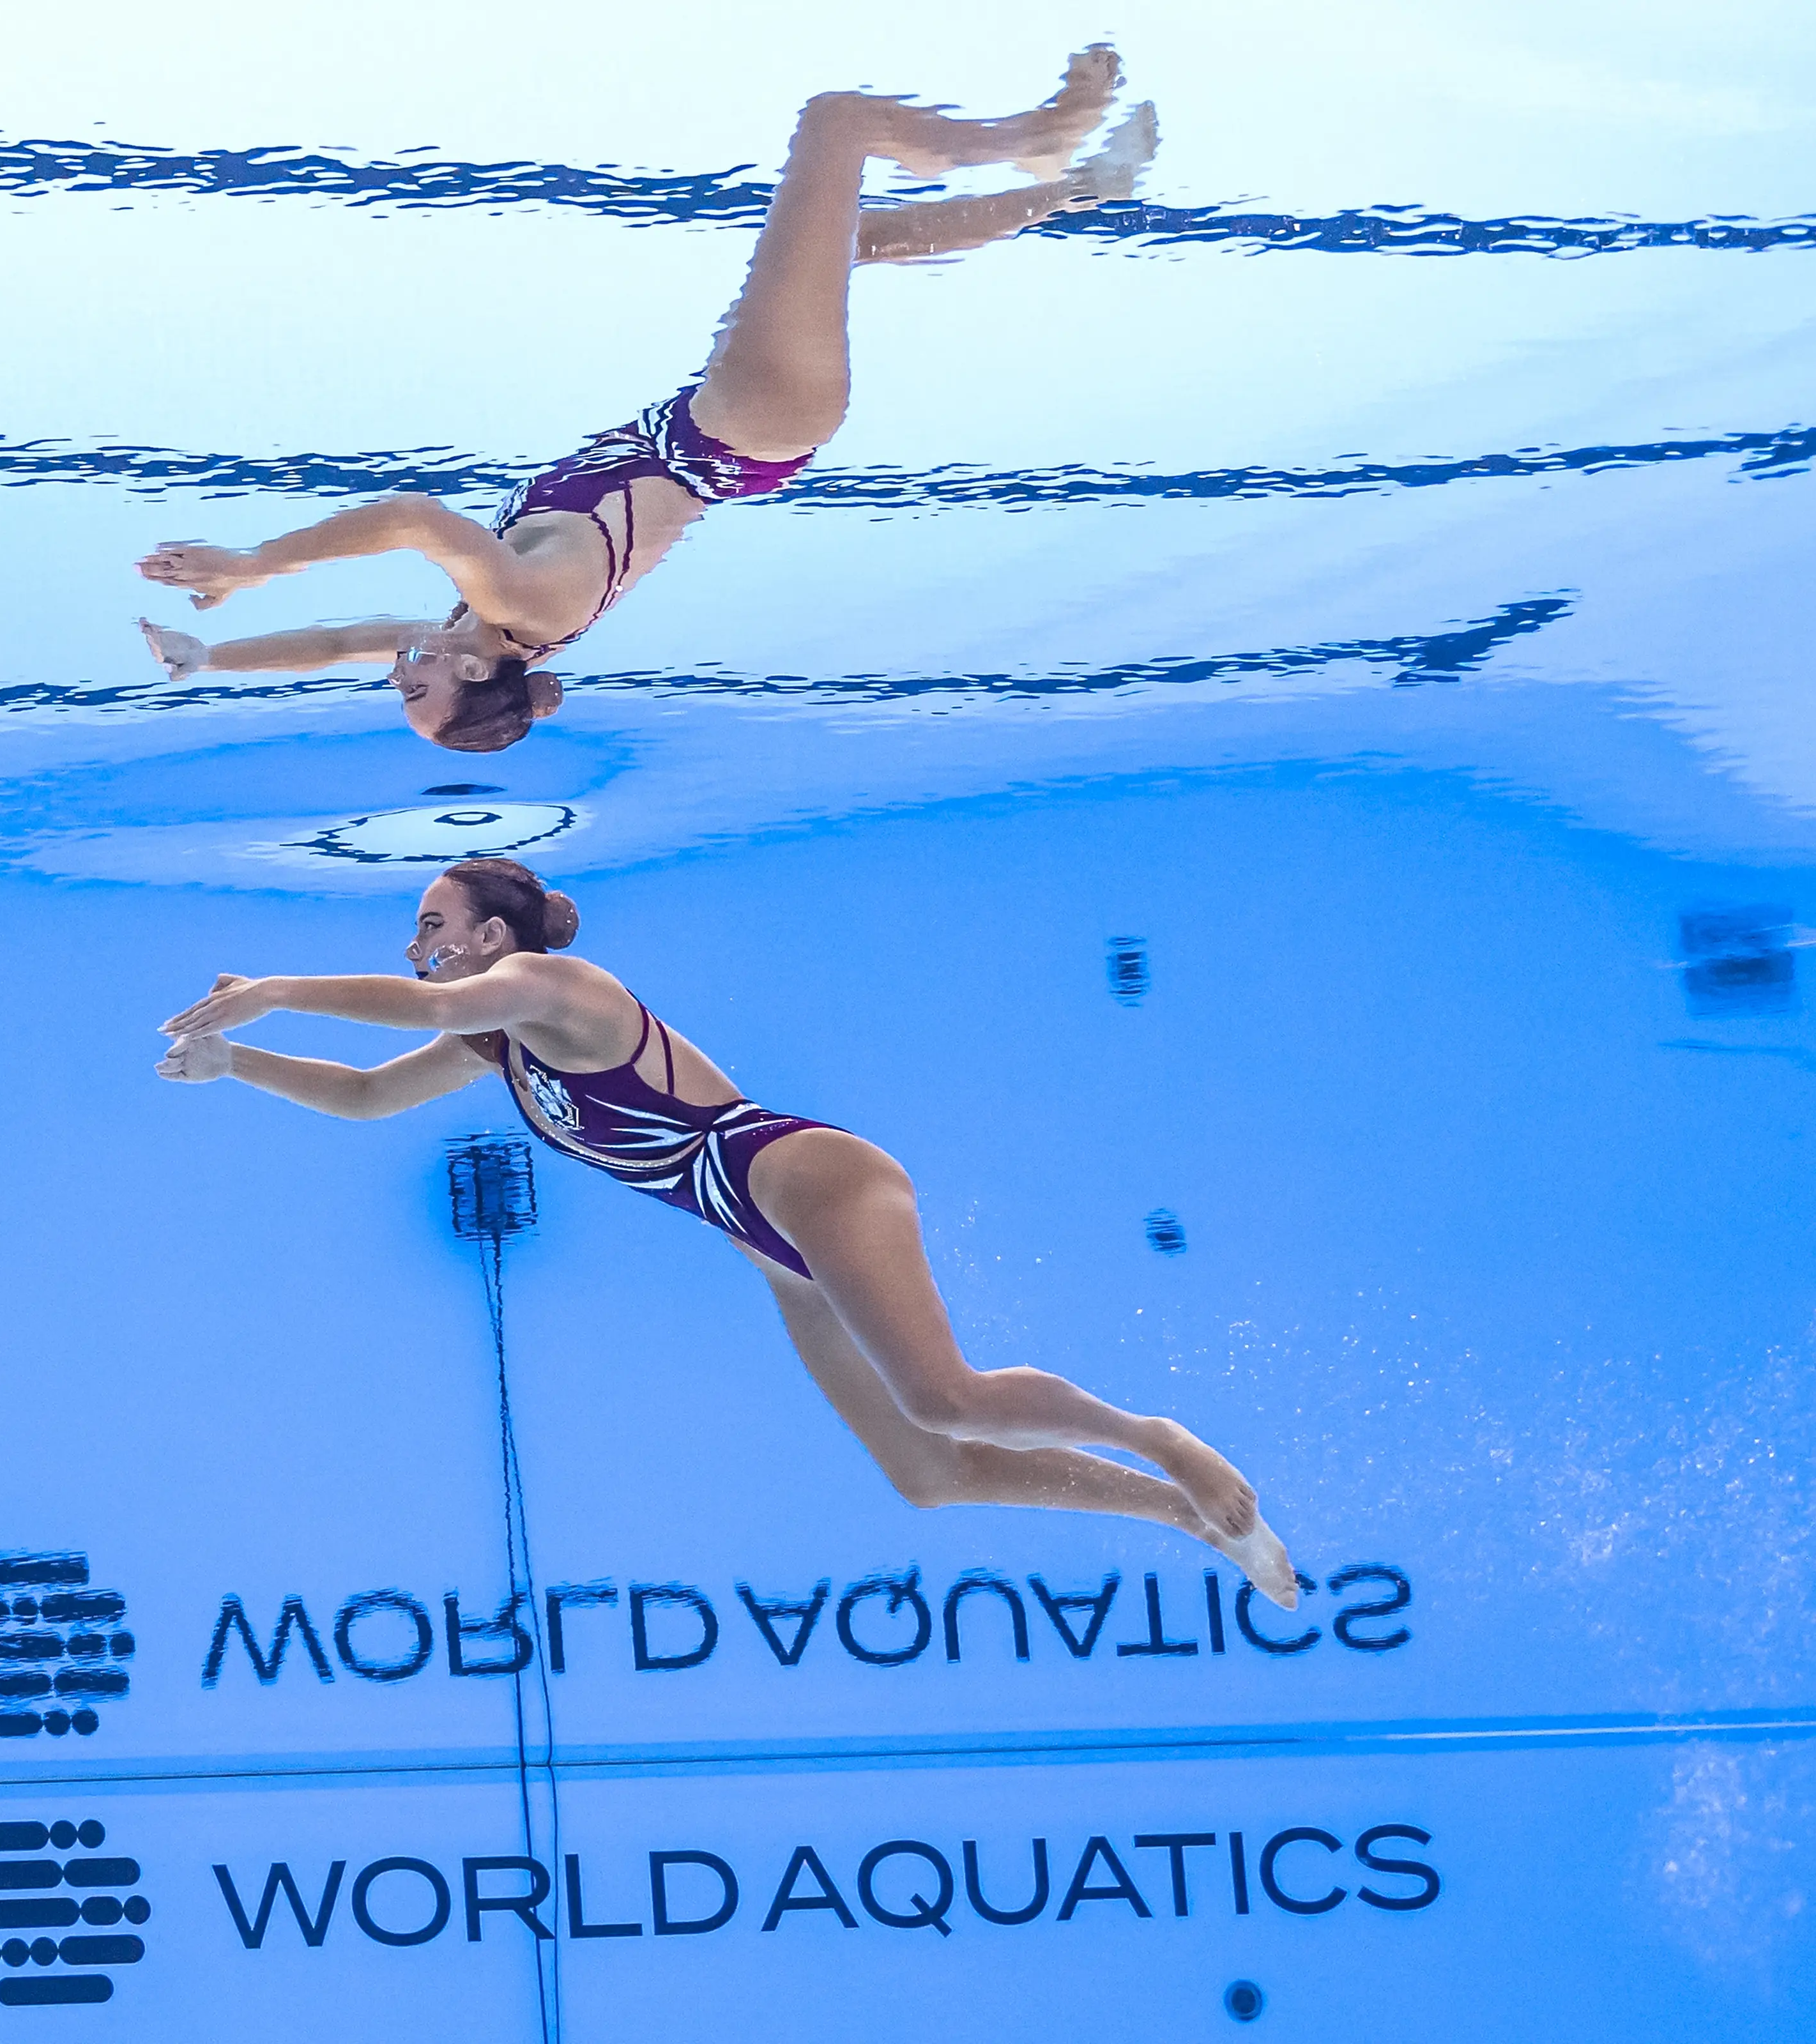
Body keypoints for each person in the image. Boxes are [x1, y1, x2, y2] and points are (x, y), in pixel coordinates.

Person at [153, 857, 1295, 1603]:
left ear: (501, 936)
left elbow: (442, 1003)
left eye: (433, 924)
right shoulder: (493, 1046)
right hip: (770, 1246)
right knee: (930, 1475)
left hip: (809, 1183)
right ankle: (1181, 1514)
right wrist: (235, 1060)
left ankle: (1158, 1439)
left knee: (944, 1396)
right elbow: (362, 1099)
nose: (418, 947)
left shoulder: (563, 988)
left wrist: (277, 989)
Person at [134, 52, 1156, 751]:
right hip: (745, 421)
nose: (398, 670)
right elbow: (410, 519)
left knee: (850, 236)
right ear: (477, 679)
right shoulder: (516, 605)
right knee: (835, 128)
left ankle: (1082, 188)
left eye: (401, 684)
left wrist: (209, 657)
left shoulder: (485, 620)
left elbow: (331, 644)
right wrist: (261, 562)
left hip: (728, 423)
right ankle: (1042, 135)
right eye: (415, 689)